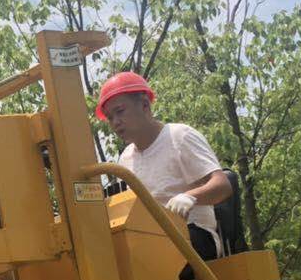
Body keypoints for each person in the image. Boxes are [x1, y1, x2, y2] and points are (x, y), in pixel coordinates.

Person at [97, 71, 233, 263]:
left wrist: (190, 197)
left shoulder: (180, 137)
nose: (115, 122)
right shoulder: (125, 160)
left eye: (120, 111)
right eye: (110, 117)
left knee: (147, 258)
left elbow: (223, 185)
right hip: (150, 238)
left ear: (145, 105)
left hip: (194, 235)